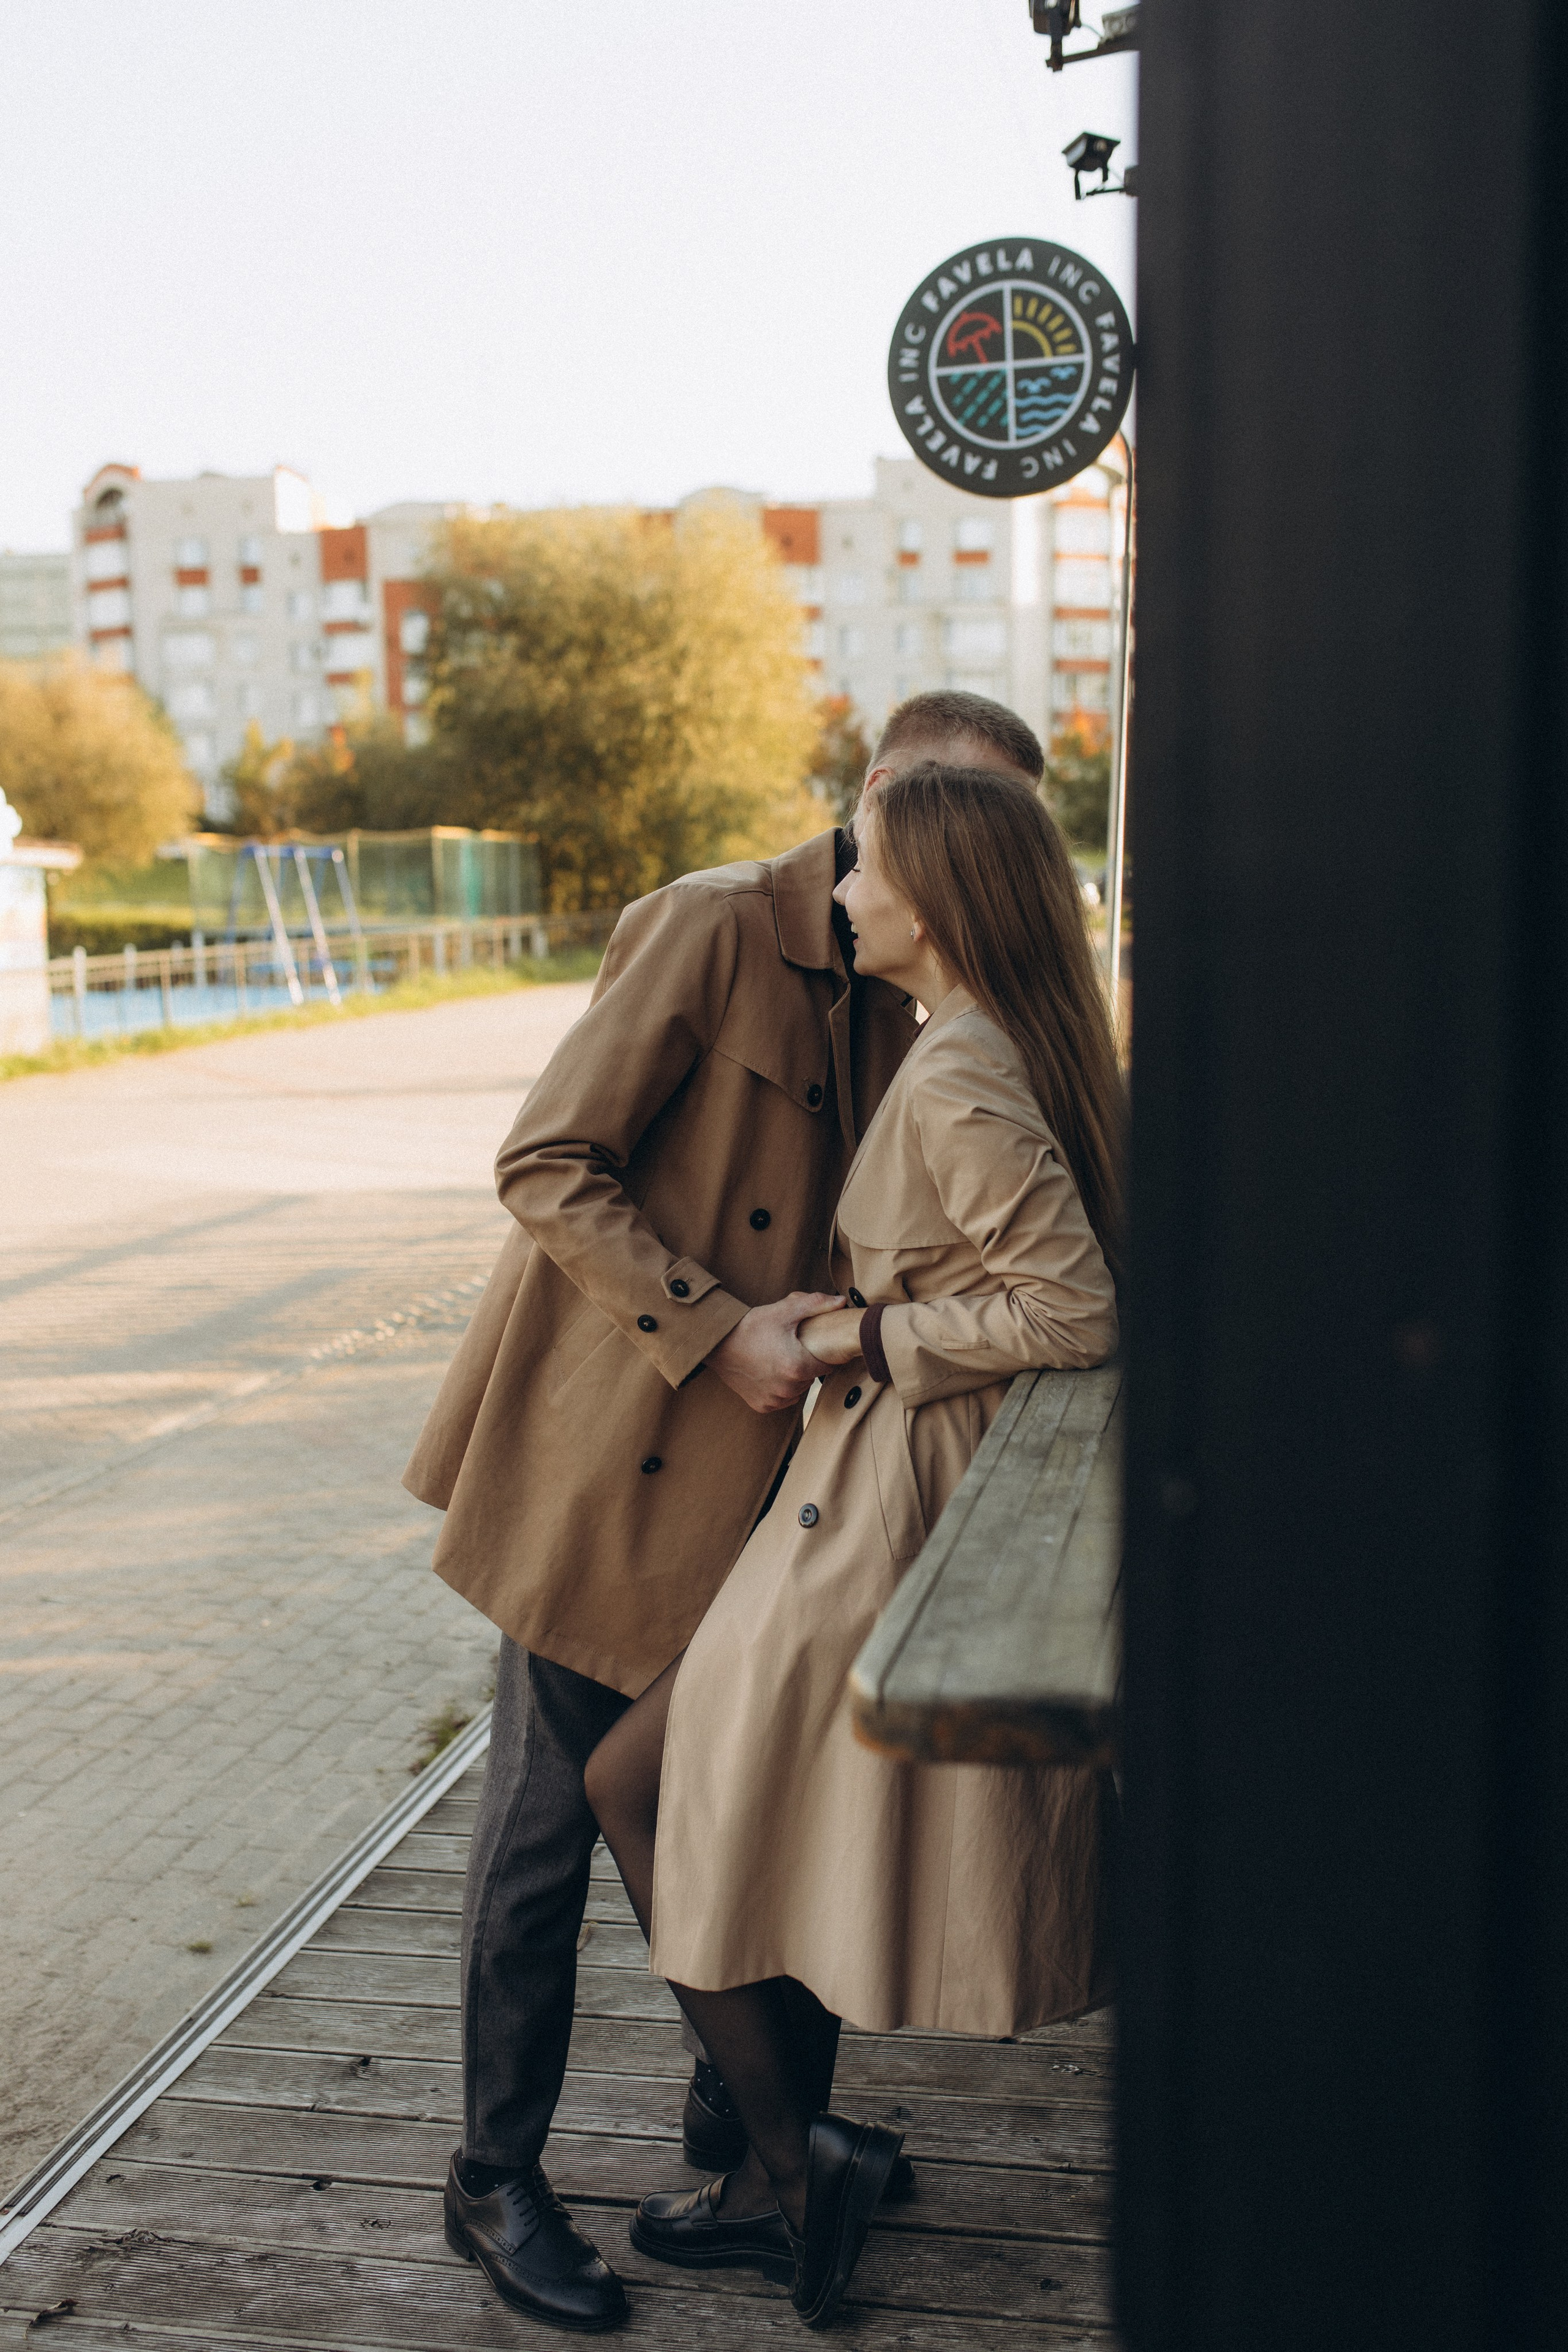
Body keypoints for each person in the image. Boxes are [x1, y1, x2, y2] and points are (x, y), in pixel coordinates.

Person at [405, 695, 1051, 2332]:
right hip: (609, 1463)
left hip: (782, 1481)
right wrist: (719, 1321)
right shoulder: (708, 926)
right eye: (958, 829)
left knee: (754, 1797)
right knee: (545, 1841)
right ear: (883, 805)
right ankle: (495, 2181)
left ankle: (763, 2145)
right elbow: (548, 1163)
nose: (982, 868)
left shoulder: (920, 994)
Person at [585, 761, 1124, 2331]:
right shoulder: (993, 1041)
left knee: (639, 1787)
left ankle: (784, 2172)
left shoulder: (956, 1074)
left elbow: (1074, 1310)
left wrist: (864, 1336)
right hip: (879, 1480)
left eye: (864, 871)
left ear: (933, 904)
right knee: (669, 1788)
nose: (835, 895)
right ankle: (784, 2156)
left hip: (875, 1499)